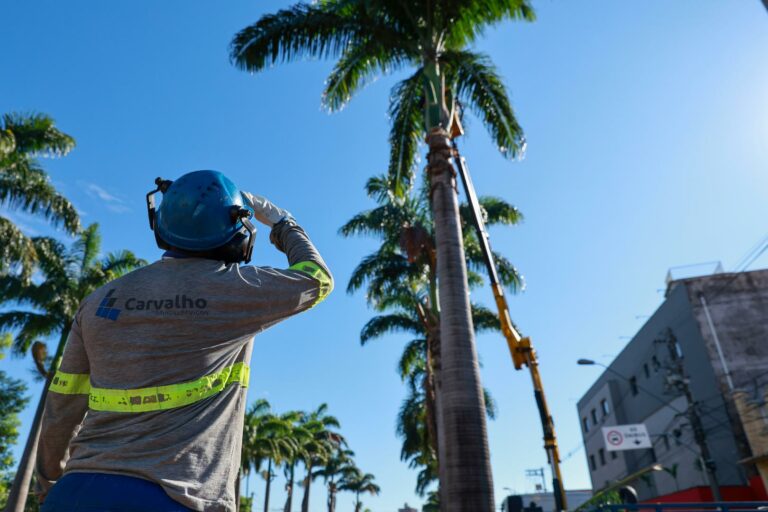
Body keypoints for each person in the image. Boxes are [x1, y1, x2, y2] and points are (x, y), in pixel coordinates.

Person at [35, 170, 332, 512]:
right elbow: (318, 278)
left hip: (75, 492)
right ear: (240, 236)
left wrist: (51, 486)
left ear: (160, 225)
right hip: (176, 497)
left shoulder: (101, 300)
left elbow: (63, 404)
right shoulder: (238, 291)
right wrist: (282, 222)